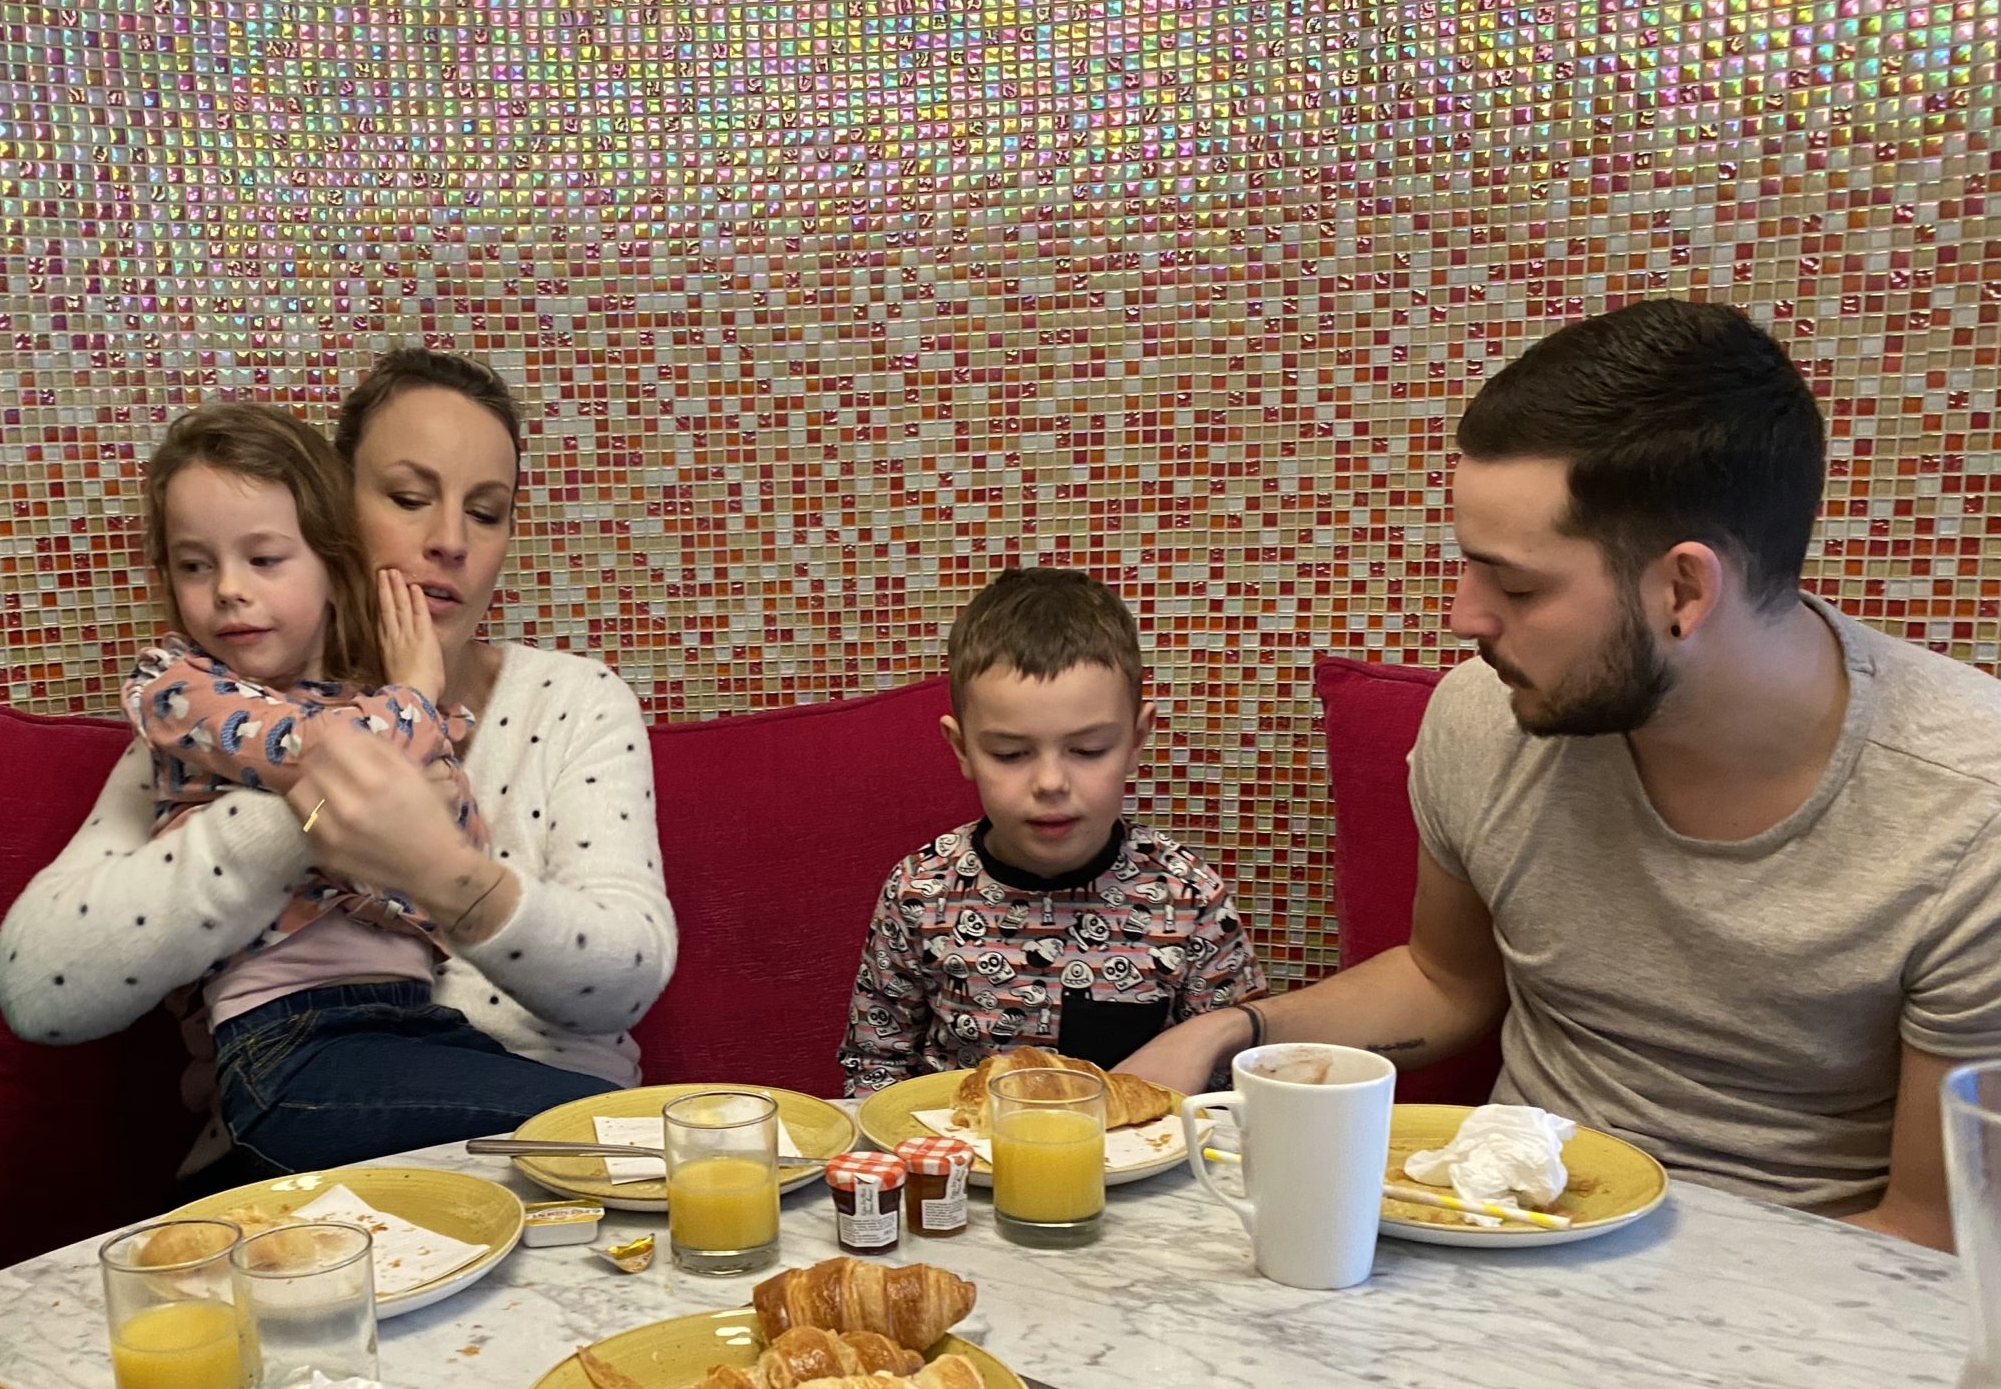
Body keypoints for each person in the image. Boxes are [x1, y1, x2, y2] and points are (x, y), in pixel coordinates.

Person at [1125, 300, 2001, 1249]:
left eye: (1517, 585)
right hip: (1494, 1231)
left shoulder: (1969, 812)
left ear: (1683, 590)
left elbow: (1933, 1234)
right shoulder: (1486, 715)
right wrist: (1230, 1033)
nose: (1464, 617)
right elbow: (1446, 978)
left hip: (1797, 1285)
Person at [0, 348, 677, 1140]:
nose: (450, 540)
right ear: (331, 520)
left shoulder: (572, 701)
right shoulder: (217, 717)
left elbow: (626, 978)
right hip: (317, 1135)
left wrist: (442, 871)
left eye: (487, 512)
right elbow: (39, 988)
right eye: (409, 498)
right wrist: (310, 817)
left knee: (689, 1146)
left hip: (557, 1139)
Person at [117, 400, 613, 1169]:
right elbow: (323, 759)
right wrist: (416, 695)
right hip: (289, 1044)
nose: (229, 589)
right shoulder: (176, 689)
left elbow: (459, 855)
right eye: (194, 565)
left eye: (264, 559)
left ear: (330, 566)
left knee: (587, 1123)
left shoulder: (368, 707)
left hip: (410, 1021)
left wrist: (419, 751)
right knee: (595, 1129)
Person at [841, 567, 1265, 1091]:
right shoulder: (919, 891)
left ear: (1136, 740)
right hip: (957, 1139)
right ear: (963, 749)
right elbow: (874, 1064)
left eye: (1088, 750)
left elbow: (1236, 1084)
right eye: (1010, 754)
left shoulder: (1188, 896)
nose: (1049, 782)